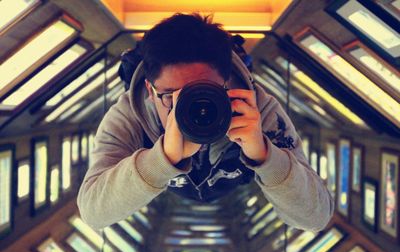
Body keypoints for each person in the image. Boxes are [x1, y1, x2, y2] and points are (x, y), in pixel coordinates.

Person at [77, 13, 334, 231]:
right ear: (149, 89)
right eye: (169, 97)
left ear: (226, 83)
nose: (184, 108)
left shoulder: (256, 109)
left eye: (204, 93)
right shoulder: (130, 114)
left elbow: (316, 217)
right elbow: (93, 212)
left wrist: (265, 154)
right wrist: (161, 159)